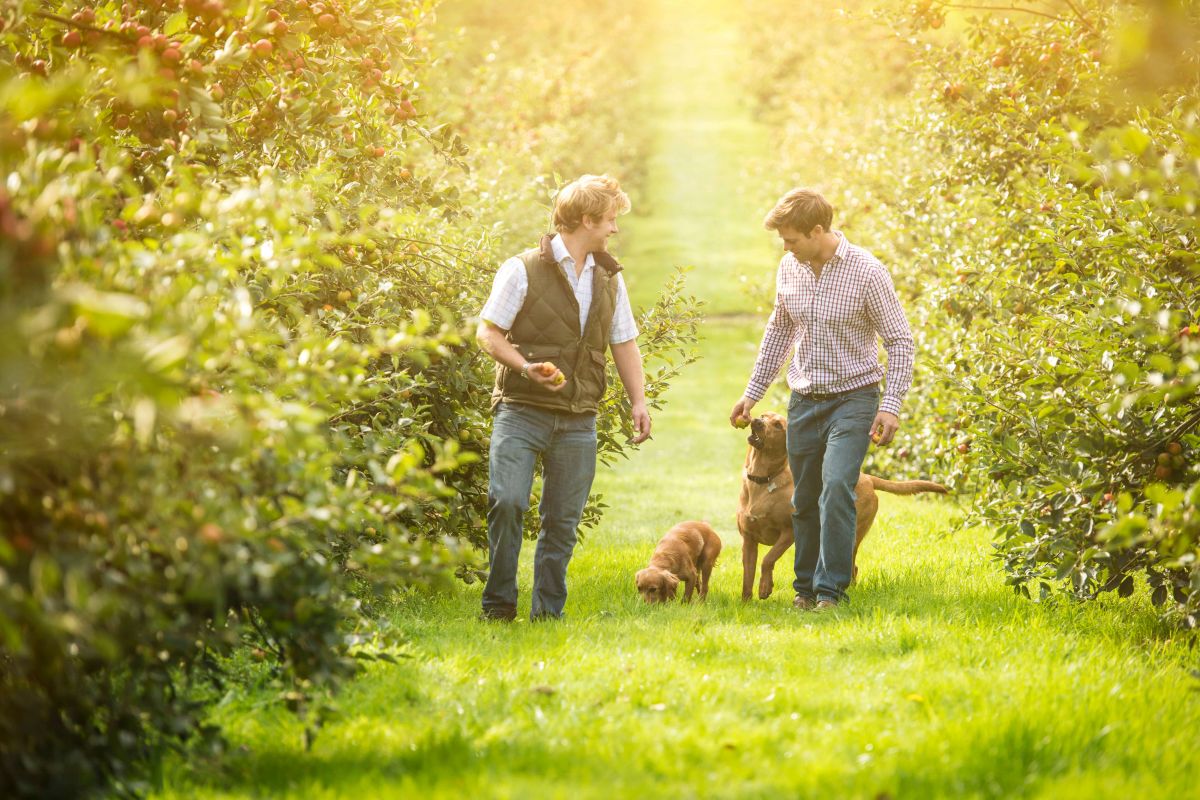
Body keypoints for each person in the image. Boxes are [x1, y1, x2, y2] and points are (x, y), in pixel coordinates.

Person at [475, 174, 651, 621]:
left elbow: (624, 341)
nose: (614, 228)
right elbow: (488, 332)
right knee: (507, 502)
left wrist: (638, 401)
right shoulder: (521, 268)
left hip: (578, 417)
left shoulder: (609, 278)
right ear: (587, 220)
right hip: (520, 411)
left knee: (562, 522)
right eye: (610, 220)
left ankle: (547, 614)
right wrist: (524, 367)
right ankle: (498, 606)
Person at [729, 188, 914, 610]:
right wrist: (752, 394)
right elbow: (779, 331)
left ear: (817, 231)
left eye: (791, 239)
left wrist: (890, 405)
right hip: (804, 401)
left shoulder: (867, 272)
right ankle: (805, 588)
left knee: (836, 487)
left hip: (854, 399)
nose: (785, 247)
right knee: (805, 498)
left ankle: (831, 591)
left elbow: (900, 341)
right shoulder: (789, 268)